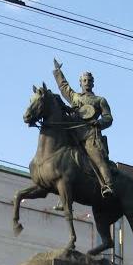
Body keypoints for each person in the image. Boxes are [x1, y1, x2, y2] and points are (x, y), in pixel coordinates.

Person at [52, 58, 116, 197]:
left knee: (97, 159)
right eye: (84, 80)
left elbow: (108, 118)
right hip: (73, 133)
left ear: (93, 83)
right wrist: (58, 71)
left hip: (90, 135)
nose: (87, 82)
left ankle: (108, 185)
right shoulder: (74, 97)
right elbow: (63, 86)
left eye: (89, 80)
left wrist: (99, 123)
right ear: (80, 82)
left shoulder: (99, 100)